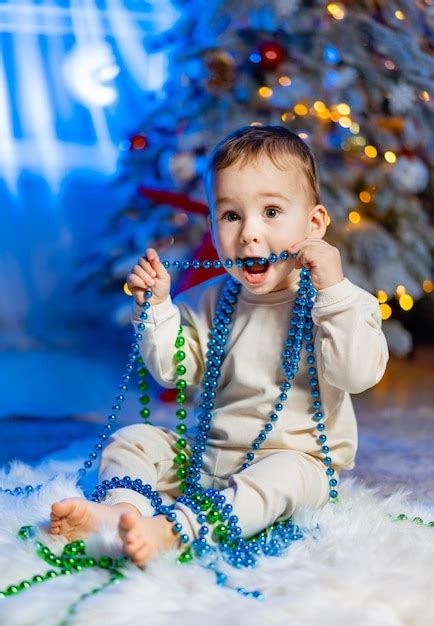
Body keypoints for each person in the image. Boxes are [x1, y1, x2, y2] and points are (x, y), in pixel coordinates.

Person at [50, 125, 389, 566]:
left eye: (271, 211)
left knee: (286, 475)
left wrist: (334, 293)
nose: (249, 233)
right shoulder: (209, 299)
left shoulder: (341, 300)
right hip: (209, 458)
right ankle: (121, 513)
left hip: (297, 463)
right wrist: (156, 309)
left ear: (314, 224)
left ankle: (176, 530)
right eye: (231, 216)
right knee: (134, 439)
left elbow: (356, 375)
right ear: (212, 225)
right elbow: (176, 371)